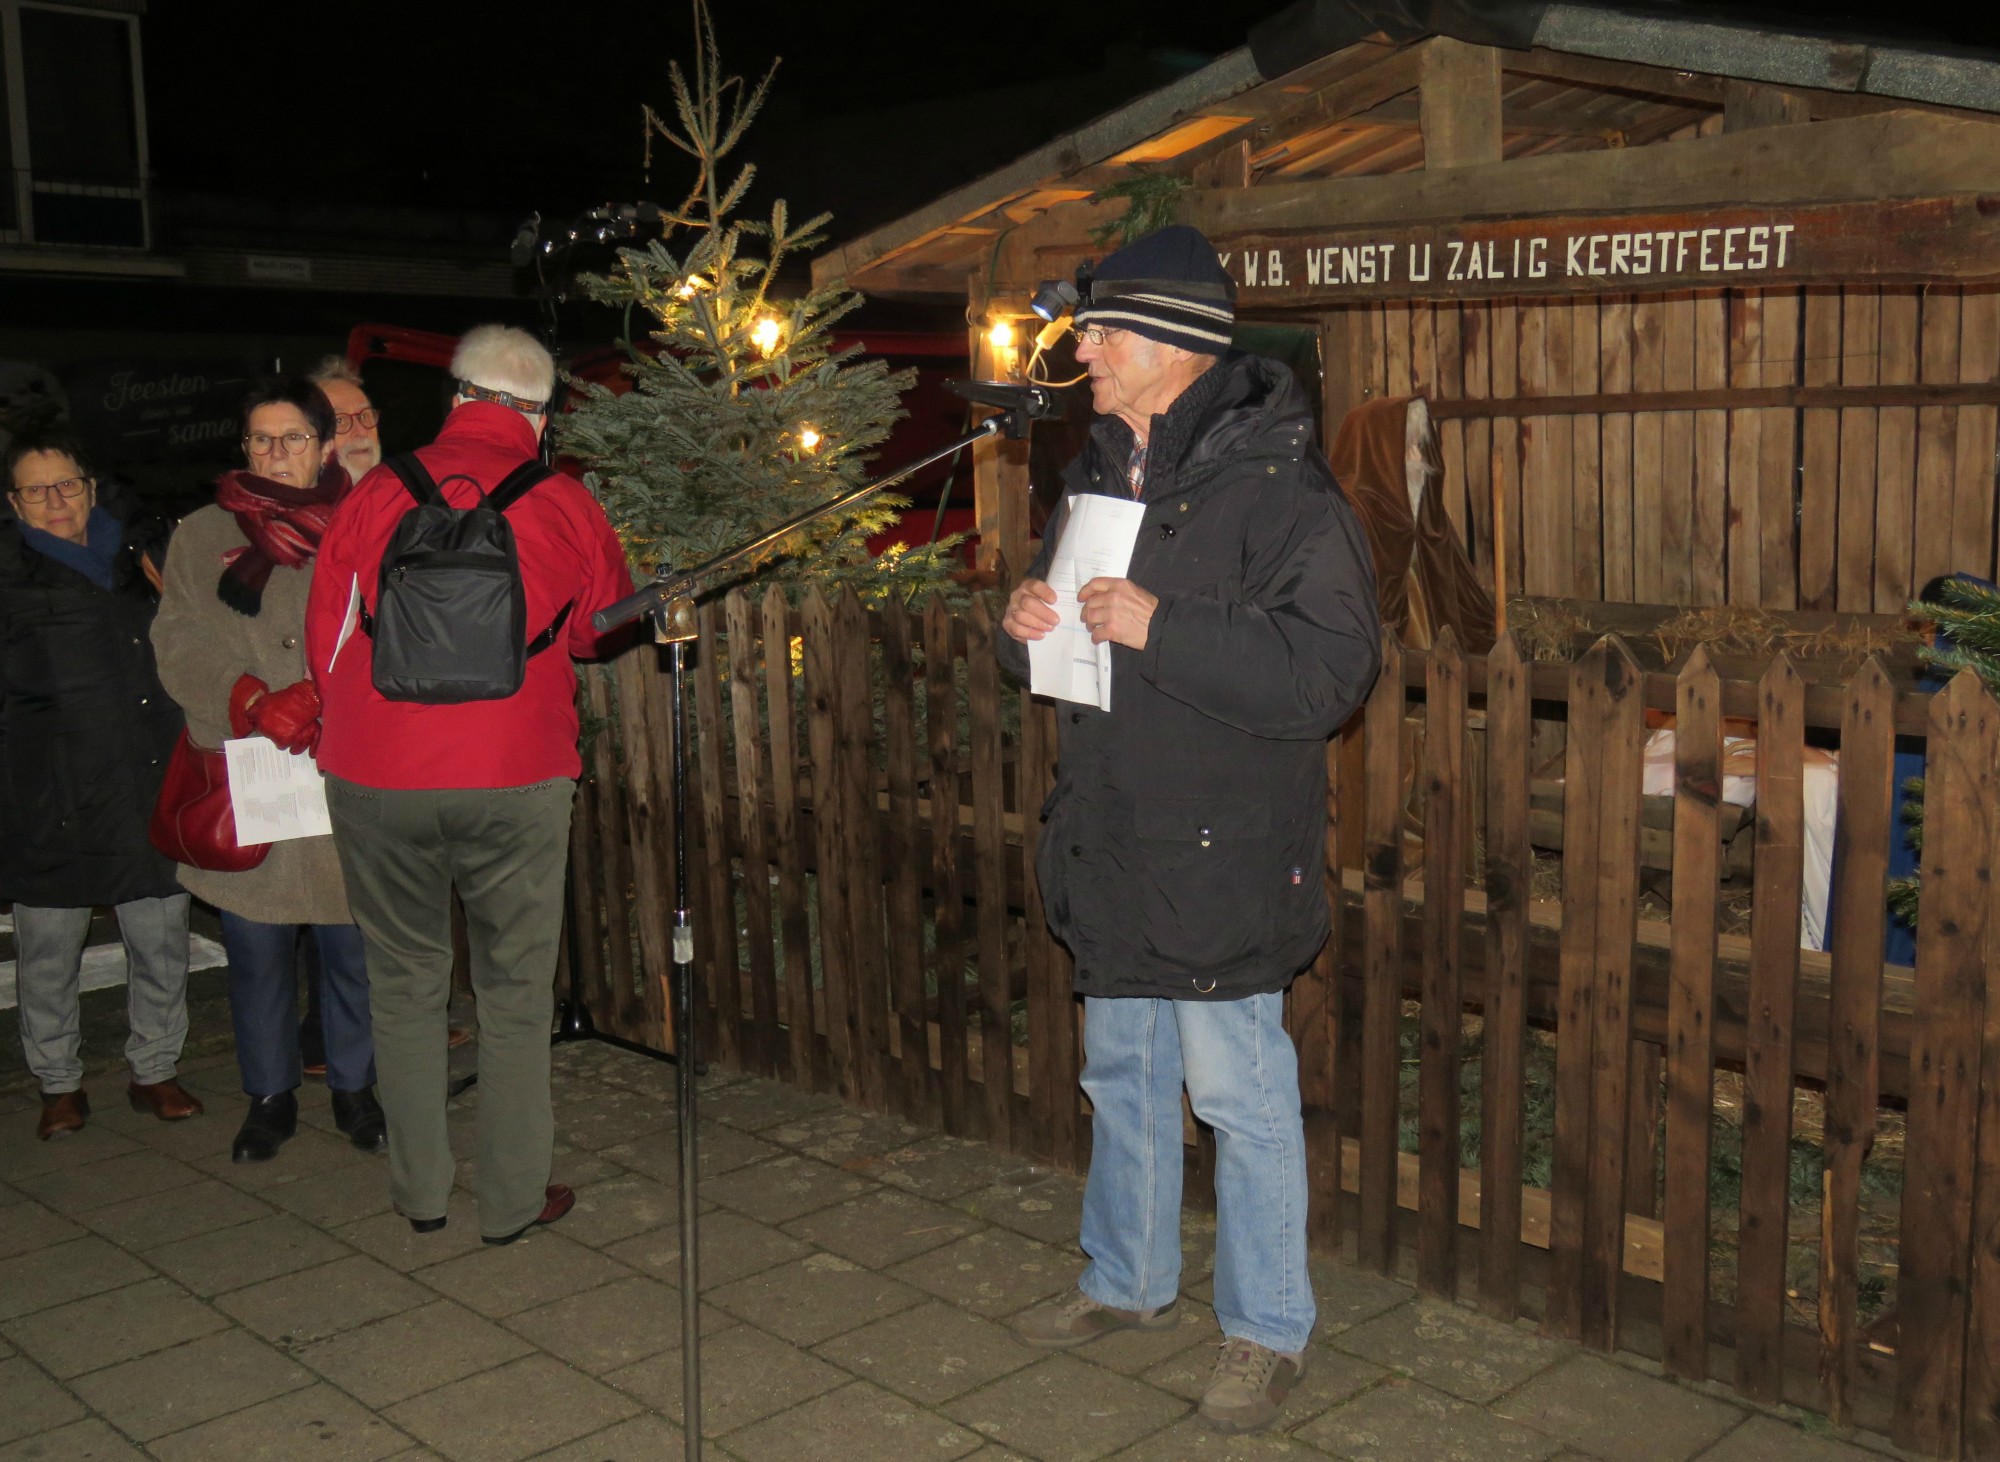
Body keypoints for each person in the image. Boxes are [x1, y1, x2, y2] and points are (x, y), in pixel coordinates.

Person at [997, 225, 1381, 1434]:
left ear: (1170, 345)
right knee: (1119, 1073)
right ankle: (1125, 1279)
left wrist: (1162, 627)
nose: (1084, 351)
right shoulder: (1100, 467)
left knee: (1238, 1089)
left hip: (1221, 846)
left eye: (1103, 331)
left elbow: (1331, 672)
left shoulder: (1281, 490)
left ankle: (1266, 1327)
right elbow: (1073, 643)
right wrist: (1022, 623)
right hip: (1114, 829)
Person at [308, 324, 633, 1245]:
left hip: (379, 773)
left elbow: (330, 640)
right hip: (516, 773)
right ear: (539, 416)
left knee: (405, 983)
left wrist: (361, 740)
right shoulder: (563, 499)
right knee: (516, 992)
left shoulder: (376, 493)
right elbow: (595, 634)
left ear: (455, 396)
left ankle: (420, 1194)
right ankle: (512, 1202)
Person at [151, 377, 386, 1162]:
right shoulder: (201, 532)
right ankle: (270, 1095)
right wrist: (247, 698)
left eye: (291, 439)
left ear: (323, 446)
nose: (275, 454)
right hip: (251, 771)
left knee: (353, 944)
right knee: (256, 954)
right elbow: (180, 637)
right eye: (260, 439)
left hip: (345, 763)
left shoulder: (366, 521)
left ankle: (356, 1086)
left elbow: (396, 626)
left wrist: (332, 696)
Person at [1, 426, 201, 1139]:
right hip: (48, 793)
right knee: (49, 949)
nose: (55, 502)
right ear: (14, 503)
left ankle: (155, 1068)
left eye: (66, 485)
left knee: (161, 936)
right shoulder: (9, 576)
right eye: (36, 490)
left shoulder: (142, 554)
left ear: (89, 486)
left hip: (147, 776)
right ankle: (59, 1083)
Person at [294, 357, 385, 1076]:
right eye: (338, 421)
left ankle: (373, 1029)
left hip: (394, 732)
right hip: (308, 735)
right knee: (324, 896)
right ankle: (326, 1037)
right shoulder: (294, 518)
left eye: (365, 416)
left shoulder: (406, 497)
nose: (357, 431)